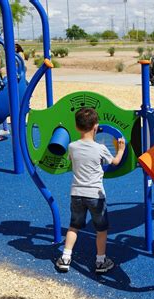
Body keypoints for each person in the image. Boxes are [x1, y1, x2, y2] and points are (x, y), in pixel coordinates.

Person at [55, 107, 125, 274]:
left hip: (77, 194)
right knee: (101, 230)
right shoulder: (100, 148)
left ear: (77, 127)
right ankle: (100, 261)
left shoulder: (72, 146)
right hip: (96, 195)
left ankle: (65, 257)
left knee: (73, 226)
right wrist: (121, 149)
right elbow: (114, 162)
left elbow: (73, 161)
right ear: (96, 126)